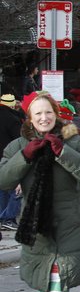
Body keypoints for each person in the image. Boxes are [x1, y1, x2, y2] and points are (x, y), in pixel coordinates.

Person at [0, 91, 80, 292]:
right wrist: (25, 156)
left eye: (48, 112)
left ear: (56, 113)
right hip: (34, 222)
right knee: (43, 275)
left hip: (68, 220)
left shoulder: (74, 141)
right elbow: (3, 179)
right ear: (29, 118)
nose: (44, 118)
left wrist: (63, 152)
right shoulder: (16, 146)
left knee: (59, 274)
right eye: (38, 113)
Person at [0, 94, 26, 230]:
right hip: (10, 157)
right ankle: (8, 217)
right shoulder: (13, 119)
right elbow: (19, 141)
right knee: (16, 189)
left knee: (2, 188)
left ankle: (3, 217)